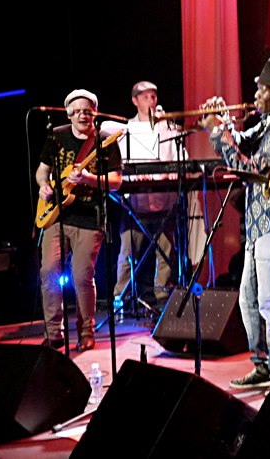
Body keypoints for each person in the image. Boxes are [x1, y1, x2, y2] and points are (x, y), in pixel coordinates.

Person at [201, 56, 270, 394]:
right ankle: (263, 365)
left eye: (261, 89)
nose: (255, 94)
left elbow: (249, 167)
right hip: (257, 227)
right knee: (249, 301)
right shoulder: (266, 124)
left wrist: (218, 132)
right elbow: (243, 141)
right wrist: (222, 122)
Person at [36, 89, 123, 351]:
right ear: (69, 113)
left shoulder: (105, 141)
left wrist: (88, 179)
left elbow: (116, 181)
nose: (83, 115)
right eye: (78, 111)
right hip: (56, 216)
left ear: (94, 113)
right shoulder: (57, 136)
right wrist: (43, 187)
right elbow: (42, 171)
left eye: (88, 111)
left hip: (89, 218)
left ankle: (86, 331)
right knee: (48, 272)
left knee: (82, 276)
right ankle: (54, 333)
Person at [113, 80, 183, 312]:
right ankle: (121, 295)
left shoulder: (168, 127)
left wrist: (172, 175)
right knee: (128, 252)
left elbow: (180, 157)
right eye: (145, 97)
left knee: (166, 251)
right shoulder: (126, 130)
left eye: (154, 96)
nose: (151, 101)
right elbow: (120, 162)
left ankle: (161, 293)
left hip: (163, 199)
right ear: (135, 101)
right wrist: (134, 178)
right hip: (136, 202)